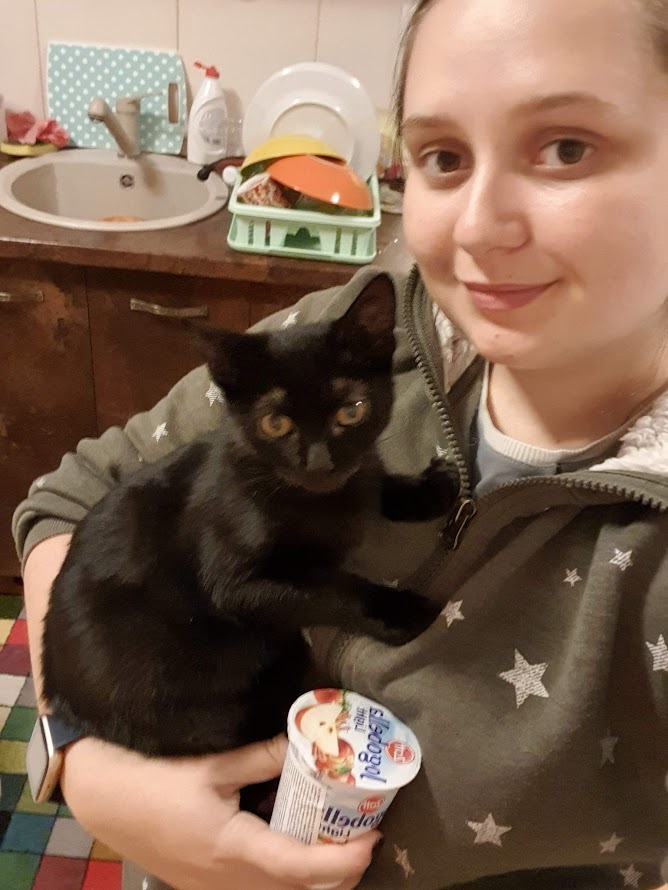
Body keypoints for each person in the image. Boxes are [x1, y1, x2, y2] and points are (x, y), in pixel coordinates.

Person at [13, 0, 668, 887]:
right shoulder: (343, 333)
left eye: (566, 147)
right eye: (442, 155)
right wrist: (83, 760)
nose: (479, 228)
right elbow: (70, 494)